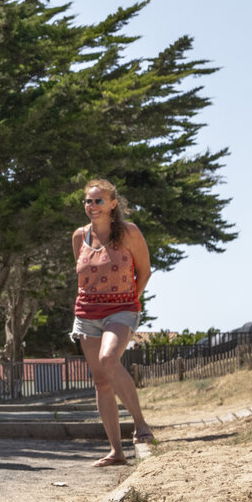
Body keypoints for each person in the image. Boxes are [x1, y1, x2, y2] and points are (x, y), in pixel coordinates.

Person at [71, 179, 153, 466]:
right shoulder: (79, 236)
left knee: (109, 358)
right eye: (89, 201)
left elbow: (145, 270)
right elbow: (83, 275)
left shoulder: (129, 232)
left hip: (121, 310)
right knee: (101, 381)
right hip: (87, 314)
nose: (92, 206)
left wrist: (131, 299)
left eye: (99, 200)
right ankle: (116, 451)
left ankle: (141, 425)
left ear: (113, 204)